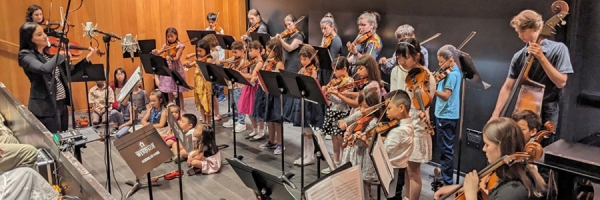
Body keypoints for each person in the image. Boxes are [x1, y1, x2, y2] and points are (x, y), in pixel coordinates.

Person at [488, 10, 573, 129]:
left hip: (548, 110)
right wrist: (495, 114)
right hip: (525, 108)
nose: (519, 35)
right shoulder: (519, 56)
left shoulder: (558, 49)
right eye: (518, 32)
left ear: (536, 27)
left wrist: (541, 58)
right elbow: (507, 87)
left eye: (522, 31)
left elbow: (561, 82)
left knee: (545, 145)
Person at [434, 117, 547, 200]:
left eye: (487, 144)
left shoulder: (513, 191)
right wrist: (460, 188)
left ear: (502, 146)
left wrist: (471, 195)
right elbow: (487, 191)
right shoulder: (502, 171)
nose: (484, 149)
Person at [18, 22, 97, 133]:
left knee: (63, 138)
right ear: (30, 39)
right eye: (39, 34)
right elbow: (43, 69)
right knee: (54, 140)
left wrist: (86, 60)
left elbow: (70, 72)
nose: (45, 36)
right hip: (45, 108)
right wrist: (60, 55)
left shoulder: (48, 54)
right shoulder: (26, 55)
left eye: (44, 33)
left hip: (61, 104)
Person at [393, 38, 435, 200]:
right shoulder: (400, 71)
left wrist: (423, 111)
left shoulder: (426, 76)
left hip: (416, 128)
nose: (401, 61)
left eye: (406, 57)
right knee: (406, 170)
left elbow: (425, 103)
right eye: (399, 58)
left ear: (417, 56)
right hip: (402, 127)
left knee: (413, 172)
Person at [339, 88, 380, 198]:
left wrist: (352, 136)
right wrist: (344, 126)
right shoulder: (359, 114)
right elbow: (345, 121)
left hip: (362, 157)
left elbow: (361, 143)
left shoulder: (374, 122)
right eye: (360, 106)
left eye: (366, 107)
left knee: (362, 186)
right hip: (353, 154)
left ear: (375, 106)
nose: (362, 109)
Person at [286, 45, 324, 166]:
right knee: (303, 130)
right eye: (301, 59)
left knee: (308, 130)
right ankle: (306, 154)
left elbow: (313, 84)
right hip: (302, 101)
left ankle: (310, 155)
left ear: (311, 59)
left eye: (305, 59)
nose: (303, 62)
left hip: (310, 103)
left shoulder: (313, 70)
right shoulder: (303, 69)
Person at [434, 44, 463, 186]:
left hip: (446, 116)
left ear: (451, 60)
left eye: (441, 62)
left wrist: (432, 89)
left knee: (446, 150)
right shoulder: (454, 72)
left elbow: (445, 96)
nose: (439, 65)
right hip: (446, 115)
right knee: (445, 149)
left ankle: (447, 182)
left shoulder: (451, 75)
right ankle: (446, 178)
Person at [320, 57, 353, 174]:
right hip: (332, 111)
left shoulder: (350, 82)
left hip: (342, 113)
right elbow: (333, 100)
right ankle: (335, 163)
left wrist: (332, 94)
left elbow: (342, 101)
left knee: (340, 140)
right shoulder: (336, 81)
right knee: (334, 139)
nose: (334, 73)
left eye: (336, 70)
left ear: (344, 69)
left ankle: (343, 164)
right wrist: (326, 93)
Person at [380, 89, 414, 200]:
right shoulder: (408, 124)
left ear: (401, 108)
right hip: (399, 169)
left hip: (393, 171)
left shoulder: (398, 131)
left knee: (393, 197)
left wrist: (366, 141)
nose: (386, 112)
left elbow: (384, 152)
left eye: (389, 108)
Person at [256, 39, 285, 154]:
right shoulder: (268, 61)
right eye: (267, 50)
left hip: (276, 94)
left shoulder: (279, 63)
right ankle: (271, 140)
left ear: (276, 51)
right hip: (267, 92)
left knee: (277, 119)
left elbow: (278, 79)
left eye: (269, 51)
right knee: (268, 117)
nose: (267, 53)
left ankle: (280, 143)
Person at [152, 27, 188, 112]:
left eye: (172, 36)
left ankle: (182, 109)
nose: (170, 38)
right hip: (168, 69)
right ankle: (171, 108)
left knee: (178, 91)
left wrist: (171, 58)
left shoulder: (180, 46)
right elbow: (159, 52)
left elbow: (176, 57)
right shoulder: (165, 46)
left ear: (176, 36)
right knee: (169, 90)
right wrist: (155, 52)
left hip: (176, 68)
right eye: (168, 37)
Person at [241, 41, 266, 140]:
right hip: (249, 86)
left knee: (256, 110)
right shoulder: (253, 61)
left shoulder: (260, 63)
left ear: (258, 50)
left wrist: (240, 74)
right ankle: (255, 129)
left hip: (255, 88)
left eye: (251, 51)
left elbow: (253, 76)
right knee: (249, 110)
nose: (249, 53)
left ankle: (261, 131)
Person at [183, 40, 213, 124]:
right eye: (197, 51)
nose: (198, 53)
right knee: (200, 101)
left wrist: (196, 63)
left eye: (200, 51)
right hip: (198, 82)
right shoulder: (198, 58)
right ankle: (203, 120)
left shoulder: (209, 59)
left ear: (206, 50)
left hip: (205, 83)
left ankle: (208, 123)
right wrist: (187, 63)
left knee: (206, 102)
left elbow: (205, 68)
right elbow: (191, 64)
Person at [221, 41, 248, 132]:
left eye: (235, 52)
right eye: (232, 52)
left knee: (239, 104)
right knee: (233, 103)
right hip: (232, 85)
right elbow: (228, 60)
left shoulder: (244, 61)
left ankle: (242, 122)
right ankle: (235, 118)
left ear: (242, 50)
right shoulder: (234, 59)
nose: (234, 54)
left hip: (239, 86)